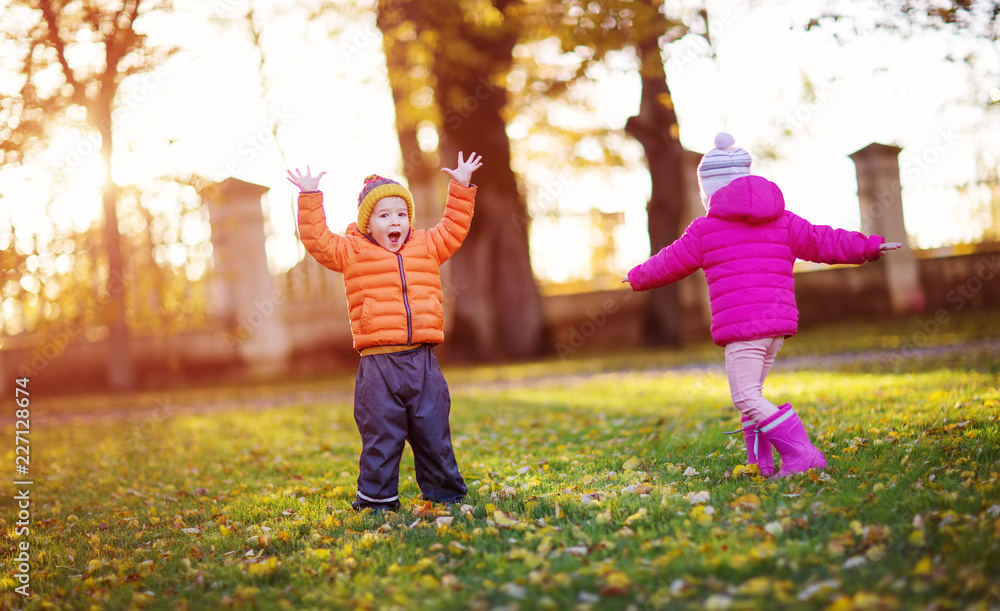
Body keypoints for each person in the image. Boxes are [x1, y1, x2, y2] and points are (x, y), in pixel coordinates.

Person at [623, 133, 901, 478]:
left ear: (709, 191)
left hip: (743, 330)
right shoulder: (783, 220)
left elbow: (670, 261)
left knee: (745, 397)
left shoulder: (705, 230)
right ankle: (761, 465)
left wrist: (636, 276)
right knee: (753, 393)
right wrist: (869, 245)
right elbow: (823, 240)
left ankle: (801, 453)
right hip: (776, 328)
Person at [287, 151, 483, 510]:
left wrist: (462, 186)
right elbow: (317, 241)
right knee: (381, 434)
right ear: (367, 223)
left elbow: (454, 229)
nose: (396, 221)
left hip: (423, 361)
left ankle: (445, 493)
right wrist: (310, 197)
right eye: (384, 215)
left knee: (433, 430)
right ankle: (377, 500)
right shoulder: (351, 252)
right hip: (379, 367)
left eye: (402, 214)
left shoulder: (425, 246)